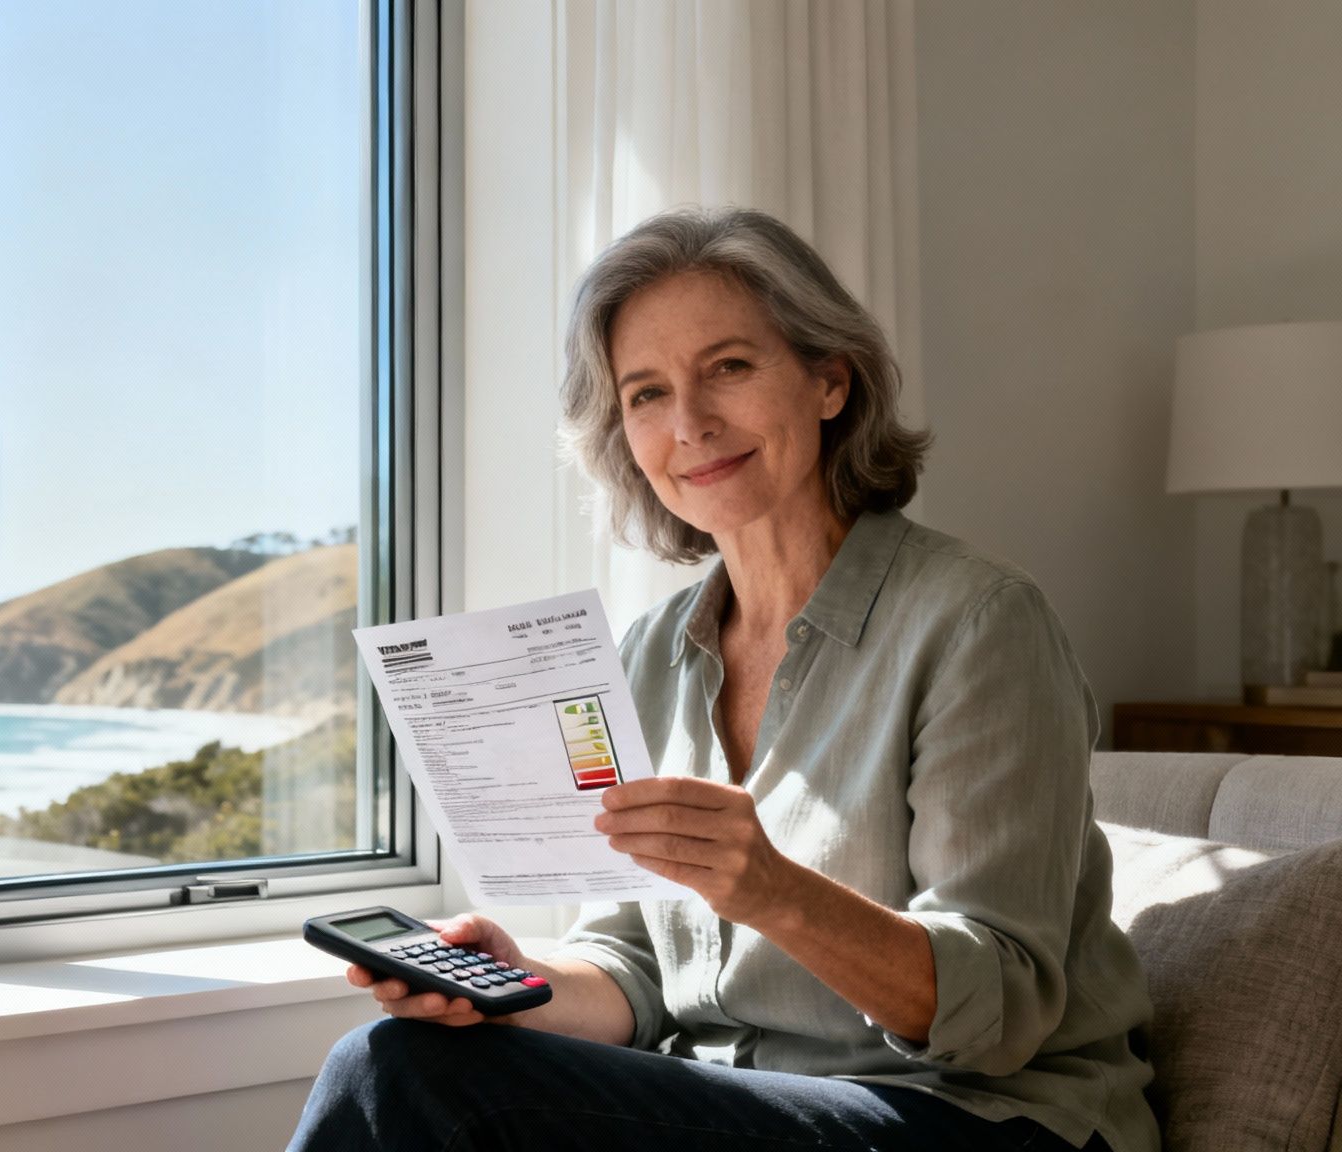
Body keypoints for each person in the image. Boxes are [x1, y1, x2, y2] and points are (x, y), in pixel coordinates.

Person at [287, 207, 1156, 1152]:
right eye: (646, 393)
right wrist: (517, 988)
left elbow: (1002, 1011)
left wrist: (774, 889)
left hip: (976, 1118)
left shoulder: (980, 623)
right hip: (747, 1103)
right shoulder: (650, 653)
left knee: (392, 1074)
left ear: (830, 381)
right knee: (408, 1051)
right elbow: (633, 969)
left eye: (729, 368)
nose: (690, 423)